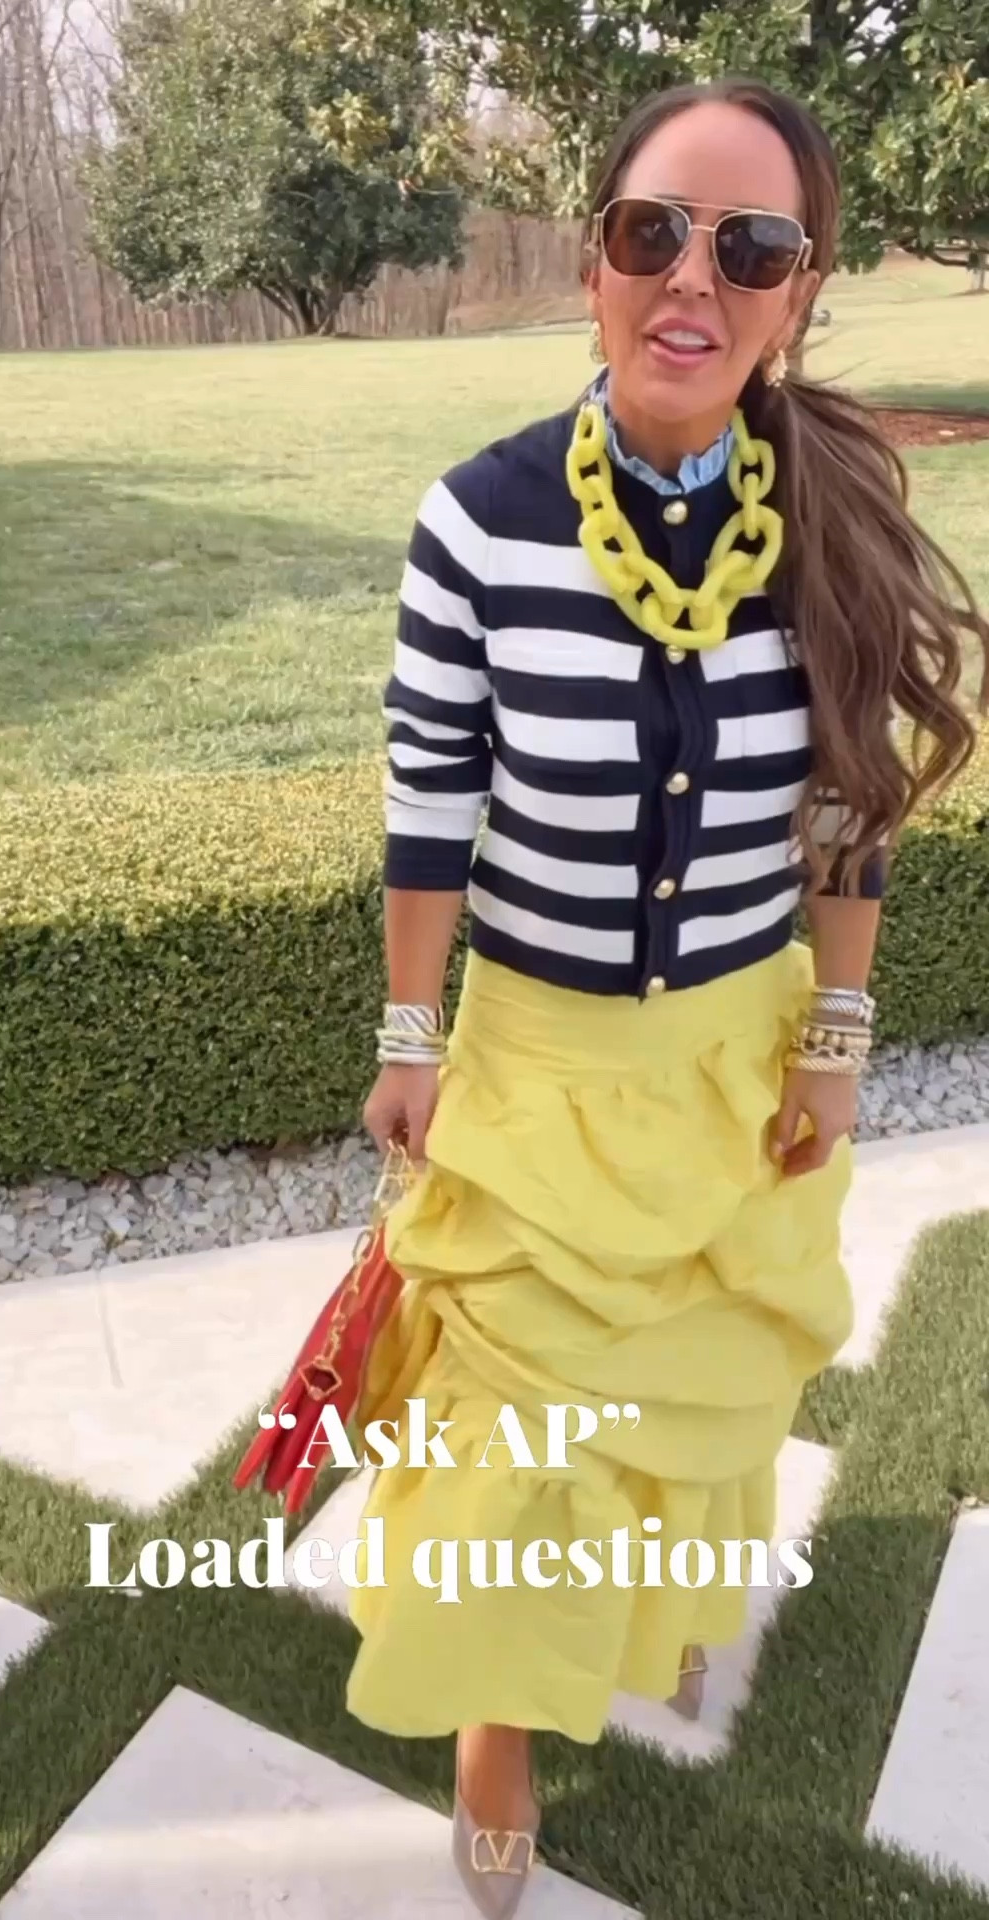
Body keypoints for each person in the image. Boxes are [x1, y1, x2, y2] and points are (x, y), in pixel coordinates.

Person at [349, 77, 988, 1917]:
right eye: (657, 233)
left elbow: (850, 815)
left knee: (700, 1407)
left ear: (800, 292)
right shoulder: (479, 522)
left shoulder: (835, 516)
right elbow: (430, 799)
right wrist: (408, 1036)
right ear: (595, 263)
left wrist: (839, 1045)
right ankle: (494, 1723)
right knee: (512, 1448)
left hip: (730, 1067)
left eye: (752, 247)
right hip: (536, 1080)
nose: (695, 279)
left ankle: (656, 1613)